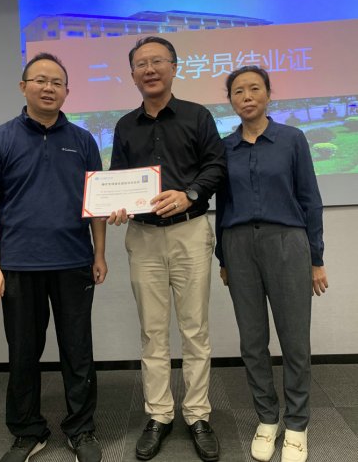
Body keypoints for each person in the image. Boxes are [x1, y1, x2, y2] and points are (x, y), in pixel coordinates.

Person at [0, 53, 107, 462]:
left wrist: (100, 253)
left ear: (67, 91)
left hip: (74, 262)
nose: (48, 88)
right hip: (18, 265)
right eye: (40, 80)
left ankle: (80, 429)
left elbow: (96, 203)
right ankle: (28, 431)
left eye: (57, 82)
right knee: (23, 352)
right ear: (23, 86)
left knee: (78, 351)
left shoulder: (83, 140)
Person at [108, 36, 226, 462]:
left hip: (189, 232)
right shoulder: (125, 126)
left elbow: (217, 165)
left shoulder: (198, 115)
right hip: (142, 236)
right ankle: (158, 415)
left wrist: (189, 193)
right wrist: (115, 205)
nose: (150, 69)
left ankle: (197, 415)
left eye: (158, 61)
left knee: (195, 330)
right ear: (132, 75)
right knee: (152, 332)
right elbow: (117, 178)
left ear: (174, 67)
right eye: (141, 64)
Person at [215, 65, 328, 462]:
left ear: (268, 93)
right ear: (230, 100)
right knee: (252, 339)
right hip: (238, 245)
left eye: (254, 89)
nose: (247, 96)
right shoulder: (224, 147)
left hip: (287, 242)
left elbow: (310, 199)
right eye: (238, 91)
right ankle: (267, 418)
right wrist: (223, 257)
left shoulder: (292, 139)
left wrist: (316, 259)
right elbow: (222, 205)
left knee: (294, 339)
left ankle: (296, 423)